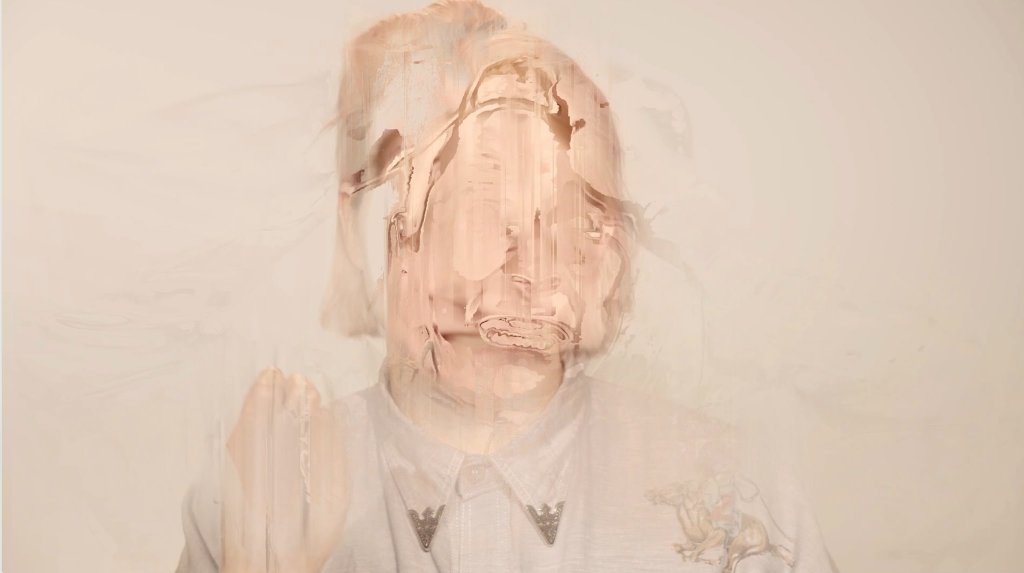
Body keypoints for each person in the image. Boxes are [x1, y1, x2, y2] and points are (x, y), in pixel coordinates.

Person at [176, 1, 839, 571]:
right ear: (372, 233)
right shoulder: (254, 498)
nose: (529, 271)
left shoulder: (738, 499)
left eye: (574, 220)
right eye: (479, 207)